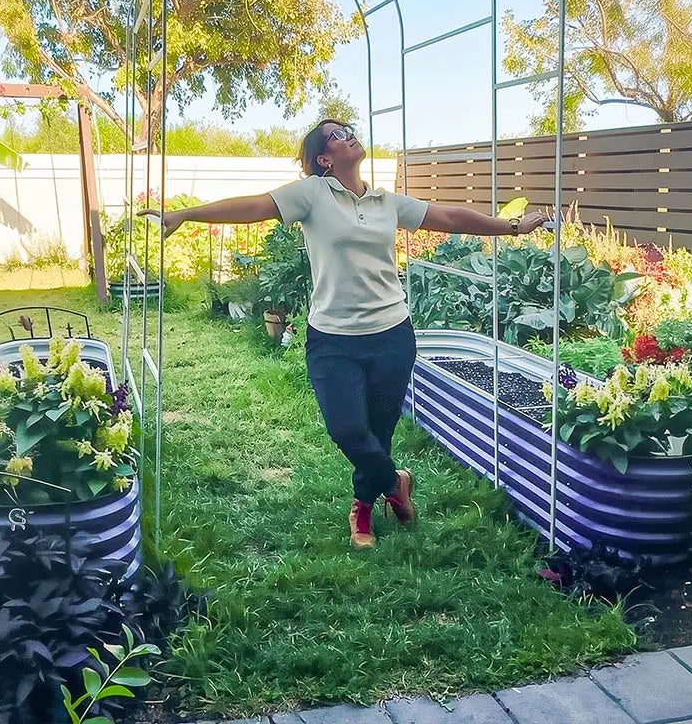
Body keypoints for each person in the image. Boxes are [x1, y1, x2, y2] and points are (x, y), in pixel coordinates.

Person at [140, 120, 550, 549]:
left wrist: (513, 227)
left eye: (348, 129)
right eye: (336, 135)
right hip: (332, 338)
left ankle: (364, 512)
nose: (348, 135)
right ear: (324, 159)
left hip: (392, 334)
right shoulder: (313, 194)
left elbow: (446, 217)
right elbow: (255, 207)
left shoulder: (384, 201)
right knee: (347, 429)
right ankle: (397, 482)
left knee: (380, 429)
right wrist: (186, 214)